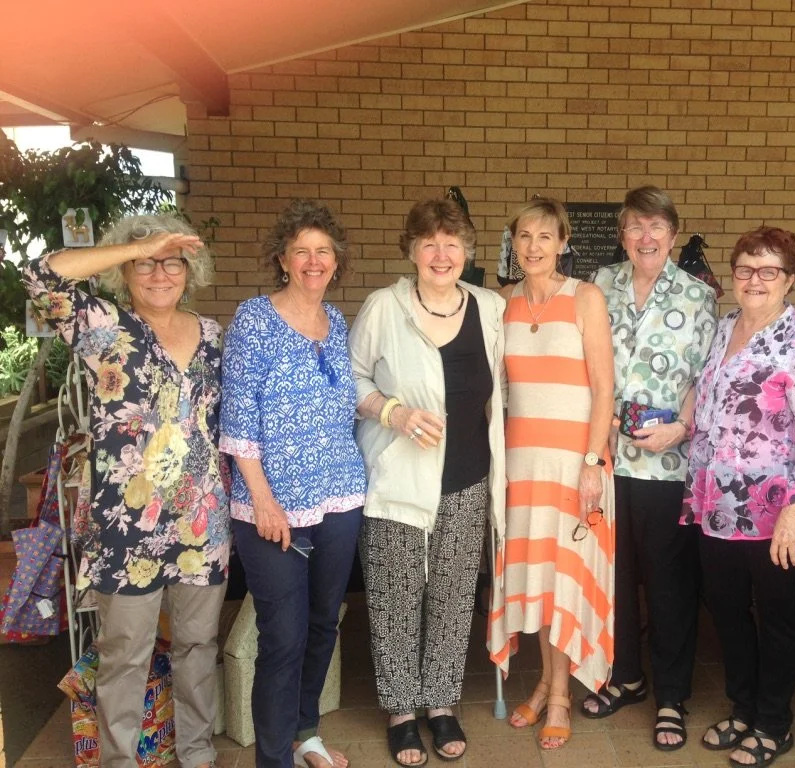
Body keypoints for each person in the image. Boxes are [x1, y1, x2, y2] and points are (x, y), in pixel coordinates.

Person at [23, 214, 229, 768]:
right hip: (124, 527)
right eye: (145, 262)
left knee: (197, 648)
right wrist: (138, 243)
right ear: (126, 269)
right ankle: (118, 760)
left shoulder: (212, 336)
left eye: (171, 261)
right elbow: (43, 275)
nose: (160, 272)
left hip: (201, 525)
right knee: (126, 655)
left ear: (190, 270)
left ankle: (196, 754)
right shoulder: (102, 328)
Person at [348, 199, 506, 767]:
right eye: (430, 243)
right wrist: (392, 411)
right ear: (411, 250)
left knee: (453, 597)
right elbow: (353, 378)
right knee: (394, 599)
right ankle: (400, 711)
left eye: (452, 242)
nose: (442, 254)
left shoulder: (489, 308)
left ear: (467, 250)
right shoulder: (383, 307)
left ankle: (441, 704)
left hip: (467, 479)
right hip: (396, 479)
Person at [680, 226, 795, 767]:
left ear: (789, 280)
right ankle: (743, 708)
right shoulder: (725, 329)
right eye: (746, 269)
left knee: (776, 617)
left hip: (777, 511)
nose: (755, 280)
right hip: (717, 503)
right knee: (724, 609)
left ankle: (774, 722)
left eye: (768, 271)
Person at [220, 200, 366, 768]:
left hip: (340, 496)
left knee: (324, 622)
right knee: (283, 636)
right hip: (270, 506)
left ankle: (307, 733)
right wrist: (263, 501)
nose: (313, 261)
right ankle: (273, 758)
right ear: (283, 258)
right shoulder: (255, 318)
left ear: (336, 261)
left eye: (323, 251)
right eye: (301, 251)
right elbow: (238, 417)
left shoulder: (338, 322)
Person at [582, 186, 718, 750]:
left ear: (672, 233)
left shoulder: (698, 294)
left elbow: (704, 376)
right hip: (608, 457)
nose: (646, 237)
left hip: (666, 463)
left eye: (657, 226)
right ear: (622, 234)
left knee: (667, 583)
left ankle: (671, 696)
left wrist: (681, 427)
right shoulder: (599, 285)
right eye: (636, 226)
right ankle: (627, 676)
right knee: (613, 577)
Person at [488, 197, 615, 750]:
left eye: (545, 236)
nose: (533, 246)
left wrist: (592, 462)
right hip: (521, 463)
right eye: (524, 237)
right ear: (513, 245)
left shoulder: (585, 297)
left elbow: (604, 387)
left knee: (565, 577)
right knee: (537, 580)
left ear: (564, 243)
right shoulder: (501, 304)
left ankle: (559, 697)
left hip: (574, 464)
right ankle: (545, 681)